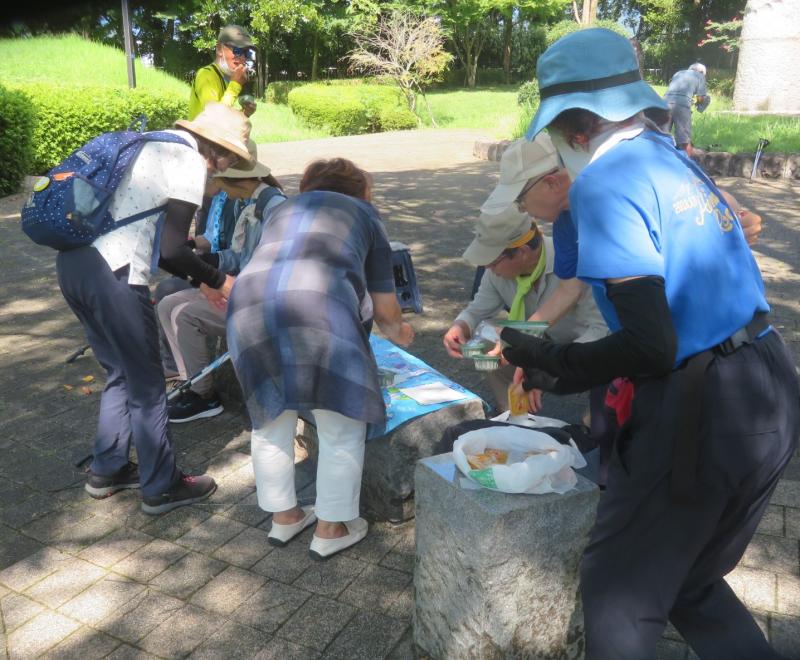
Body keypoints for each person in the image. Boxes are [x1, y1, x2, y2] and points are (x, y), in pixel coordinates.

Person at [502, 27, 798, 659]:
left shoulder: (605, 181)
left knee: (616, 596)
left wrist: (551, 364)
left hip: (702, 406)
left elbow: (649, 344)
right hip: (768, 383)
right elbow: (589, 275)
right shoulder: (668, 156)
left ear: (574, 129)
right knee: (689, 578)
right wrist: (538, 338)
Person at [56, 102, 255, 514]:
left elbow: (162, 251)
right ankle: (161, 485)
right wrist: (219, 280)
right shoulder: (187, 161)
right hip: (115, 276)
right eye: (231, 156)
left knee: (119, 373)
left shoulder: (151, 146)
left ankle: (107, 469)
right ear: (214, 148)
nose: (227, 166)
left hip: (75, 265)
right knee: (147, 386)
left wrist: (203, 279)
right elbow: (172, 248)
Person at [227, 158, 414, 560]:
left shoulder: (284, 209)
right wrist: (401, 332)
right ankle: (332, 527)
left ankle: (286, 517)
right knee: (341, 421)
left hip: (246, 310)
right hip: (317, 312)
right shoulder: (364, 213)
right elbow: (386, 309)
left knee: (270, 419)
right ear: (361, 191)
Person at [159, 141, 287, 423]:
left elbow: (271, 267)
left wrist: (222, 281)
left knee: (187, 314)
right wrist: (207, 266)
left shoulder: (273, 208)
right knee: (167, 303)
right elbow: (240, 255)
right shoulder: (247, 201)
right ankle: (191, 382)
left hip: (260, 302)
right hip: (243, 287)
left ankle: (205, 396)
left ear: (233, 179)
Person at [442, 196, 606, 411]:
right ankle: (513, 413)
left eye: (492, 261)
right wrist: (461, 325)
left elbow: (602, 331)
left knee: (601, 422)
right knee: (490, 345)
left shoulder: (571, 263)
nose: (487, 267)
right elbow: (477, 310)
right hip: (537, 340)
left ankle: (593, 423)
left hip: (582, 347)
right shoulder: (496, 272)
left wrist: (551, 366)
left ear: (522, 253)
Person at [189, 25, 257, 121]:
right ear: (220, 49)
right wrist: (235, 85)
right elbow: (215, 118)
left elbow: (226, 120)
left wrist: (245, 113)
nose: (242, 58)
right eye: (237, 50)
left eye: (246, 53)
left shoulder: (227, 77)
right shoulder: (206, 75)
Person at [663, 62, 709, 155]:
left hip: (664, 103)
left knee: (662, 135)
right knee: (684, 139)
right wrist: (699, 104)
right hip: (682, 106)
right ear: (701, 72)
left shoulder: (678, 73)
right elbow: (701, 98)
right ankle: (687, 163)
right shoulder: (700, 76)